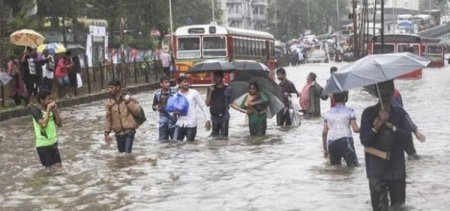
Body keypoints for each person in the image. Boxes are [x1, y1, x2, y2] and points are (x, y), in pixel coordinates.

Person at [360, 80, 412, 211]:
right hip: (376, 172)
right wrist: (377, 126)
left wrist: (390, 126)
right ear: (376, 93)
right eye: (381, 90)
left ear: (393, 91)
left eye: (388, 89)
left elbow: (406, 137)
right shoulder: (368, 113)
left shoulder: (400, 113)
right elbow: (365, 140)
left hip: (397, 171)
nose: (385, 92)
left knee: (399, 207)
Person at [322, 91, 359, 167]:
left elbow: (324, 132)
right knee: (354, 167)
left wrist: (325, 149)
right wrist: (368, 127)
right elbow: (355, 129)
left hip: (332, 143)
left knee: (336, 169)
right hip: (346, 141)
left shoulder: (328, 113)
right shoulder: (350, 111)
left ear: (334, 100)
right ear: (345, 98)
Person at [104, 79, 142, 153]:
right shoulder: (109, 103)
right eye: (109, 88)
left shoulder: (128, 98)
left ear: (118, 87)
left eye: (111, 88)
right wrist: (106, 133)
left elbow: (137, 111)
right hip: (118, 133)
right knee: (121, 153)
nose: (109, 90)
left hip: (129, 131)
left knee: (127, 153)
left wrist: (128, 102)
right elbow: (108, 118)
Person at [30, 89, 63, 169]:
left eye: (51, 99)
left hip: (53, 143)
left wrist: (55, 112)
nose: (50, 101)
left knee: (59, 168)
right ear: (42, 100)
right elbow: (44, 124)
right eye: (48, 99)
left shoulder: (52, 110)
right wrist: (48, 110)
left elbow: (60, 124)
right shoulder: (36, 110)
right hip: (43, 146)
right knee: (49, 171)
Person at [173, 76, 211, 142]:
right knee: (176, 144)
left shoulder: (194, 93)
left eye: (188, 82)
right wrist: (175, 113)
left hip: (191, 123)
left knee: (190, 146)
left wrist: (208, 119)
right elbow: (172, 111)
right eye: (184, 82)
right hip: (180, 123)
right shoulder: (176, 95)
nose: (187, 83)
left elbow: (203, 106)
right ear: (179, 84)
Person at [391, 89, 425, 160]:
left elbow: (402, 114)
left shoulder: (393, 95)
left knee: (412, 157)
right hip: (397, 130)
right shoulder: (390, 94)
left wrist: (415, 130)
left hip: (401, 130)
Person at [206, 71, 231, 137]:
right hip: (214, 116)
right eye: (214, 77)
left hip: (224, 116)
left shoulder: (227, 88)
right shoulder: (210, 88)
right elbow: (207, 103)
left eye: (217, 77)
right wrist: (211, 92)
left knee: (224, 137)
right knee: (215, 136)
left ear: (222, 77)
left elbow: (231, 102)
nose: (215, 79)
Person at [152, 76, 178, 141]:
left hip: (173, 122)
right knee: (163, 142)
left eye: (168, 82)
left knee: (175, 142)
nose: (168, 84)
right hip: (163, 122)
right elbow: (153, 106)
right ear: (161, 84)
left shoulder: (175, 92)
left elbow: (180, 104)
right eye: (166, 82)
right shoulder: (157, 93)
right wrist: (156, 107)